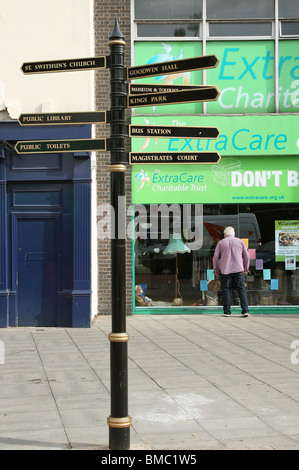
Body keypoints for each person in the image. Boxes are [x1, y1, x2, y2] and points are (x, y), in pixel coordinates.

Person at [213, 226, 250, 317]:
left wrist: (216, 268)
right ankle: (245, 310)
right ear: (234, 234)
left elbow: (215, 257)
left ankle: (227, 311)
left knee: (226, 290)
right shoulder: (240, 242)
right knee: (241, 290)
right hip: (238, 269)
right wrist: (246, 267)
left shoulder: (221, 243)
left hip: (226, 270)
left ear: (225, 234)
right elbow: (247, 256)